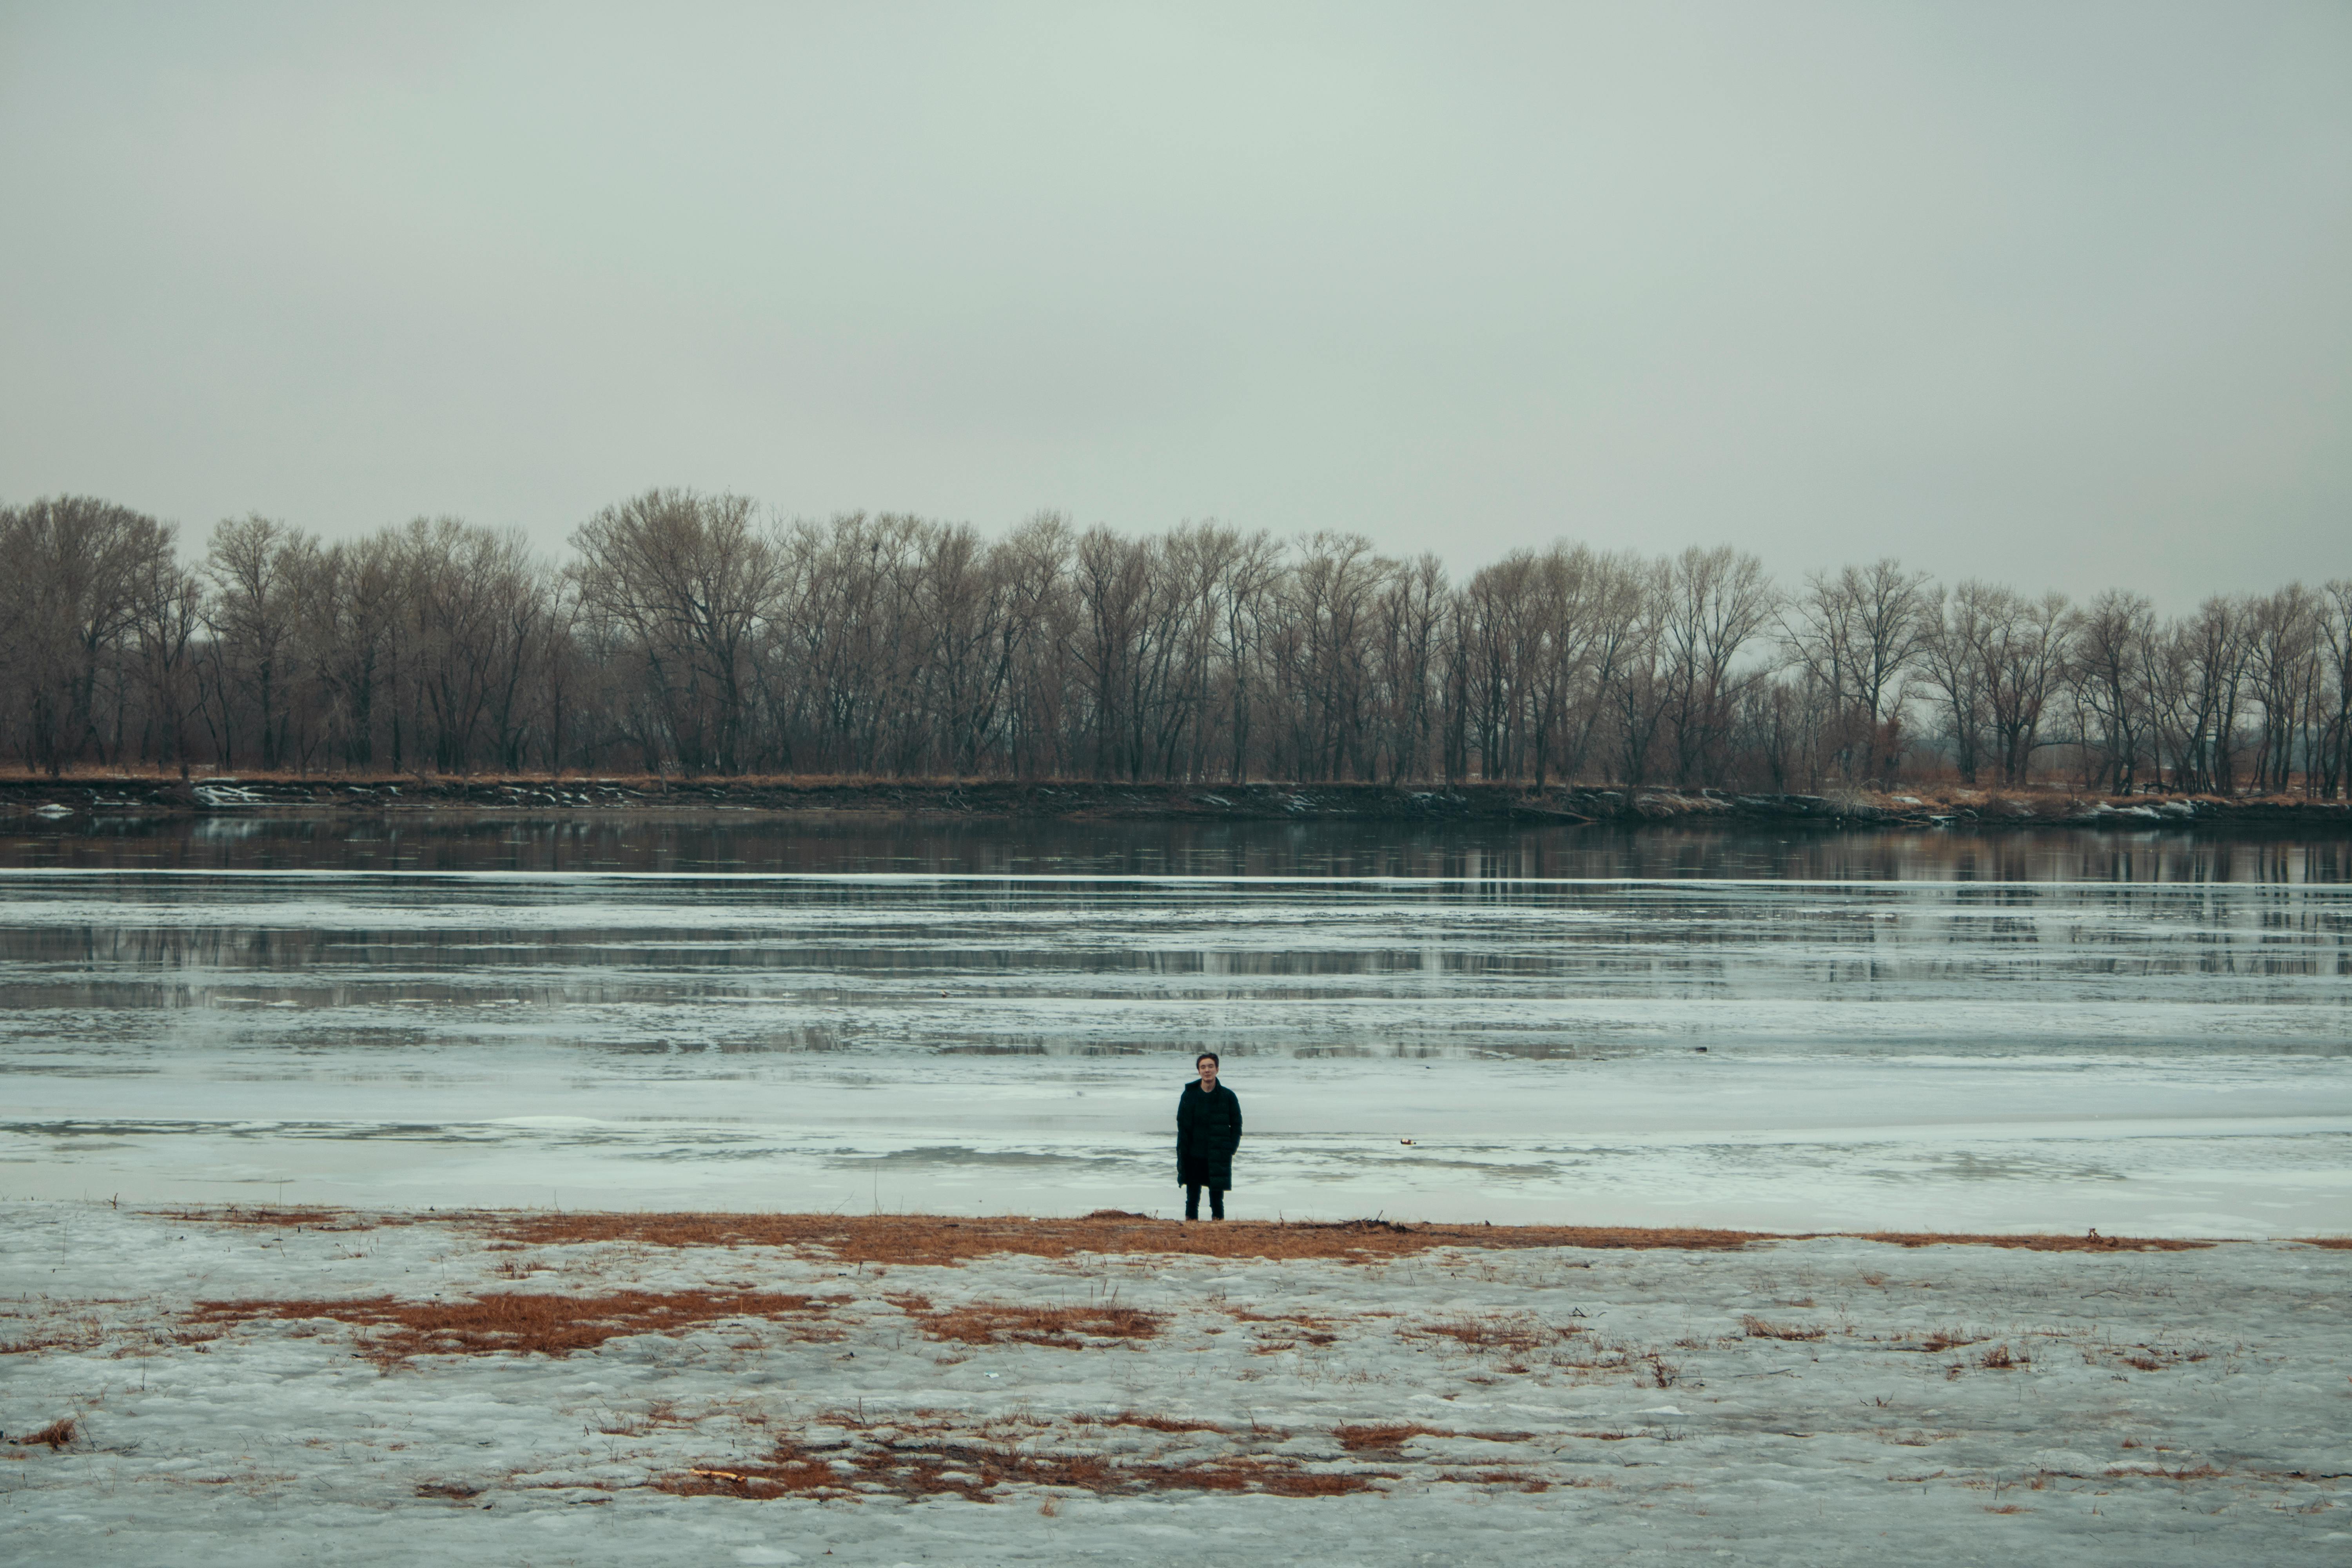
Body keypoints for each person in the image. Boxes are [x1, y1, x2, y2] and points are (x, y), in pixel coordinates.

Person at [1175, 1051, 1242, 1221]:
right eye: (1203, 1067)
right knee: (1192, 1199)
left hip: (1217, 1155)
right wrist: (1184, 1150)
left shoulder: (1228, 1097)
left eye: (1211, 1066)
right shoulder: (1189, 1095)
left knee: (1217, 1200)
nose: (1207, 1070)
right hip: (1193, 1155)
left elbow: (1237, 1125)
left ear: (1217, 1070)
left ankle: (1218, 1231)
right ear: (1199, 1071)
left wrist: (1230, 1149)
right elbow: (1181, 1124)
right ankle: (1190, 1230)